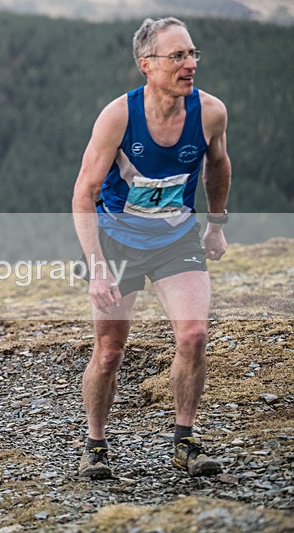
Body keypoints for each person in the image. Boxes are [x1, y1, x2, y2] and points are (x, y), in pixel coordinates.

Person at [71, 17, 231, 478]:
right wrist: (96, 266)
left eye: (193, 53)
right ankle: (96, 445)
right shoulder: (119, 116)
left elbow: (218, 164)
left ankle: (185, 441)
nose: (189, 64)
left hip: (175, 239)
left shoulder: (210, 113)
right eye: (177, 56)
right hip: (117, 240)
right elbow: (84, 192)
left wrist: (215, 224)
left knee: (194, 335)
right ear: (147, 64)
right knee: (109, 351)